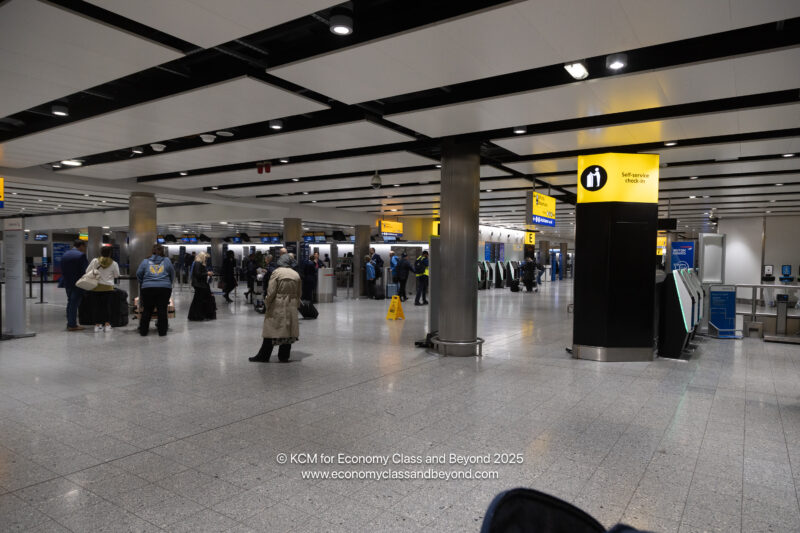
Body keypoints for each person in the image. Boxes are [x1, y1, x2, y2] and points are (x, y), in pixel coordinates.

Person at [250, 253, 302, 363]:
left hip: (278, 303)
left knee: (271, 329)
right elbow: (299, 293)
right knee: (288, 330)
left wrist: (267, 303)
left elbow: (271, 291)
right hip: (291, 304)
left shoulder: (277, 273)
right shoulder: (296, 274)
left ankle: (264, 355)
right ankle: (284, 356)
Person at [136, 244, 175, 337]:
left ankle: (143, 331)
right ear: (163, 251)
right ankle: (162, 332)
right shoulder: (167, 261)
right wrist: (168, 283)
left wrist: (144, 282)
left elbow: (139, 274)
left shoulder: (145, 261)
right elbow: (172, 273)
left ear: (152, 251)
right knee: (162, 309)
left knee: (147, 310)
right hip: (164, 288)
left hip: (148, 288)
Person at [86, 246, 120, 332]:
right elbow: (117, 275)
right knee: (107, 306)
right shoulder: (114, 263)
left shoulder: (95, 261)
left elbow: (87, 271)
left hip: (96, 287)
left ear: (101, 252)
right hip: (108, 288)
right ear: (110, 253)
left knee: (97, 306)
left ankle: (97, 325)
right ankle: (107, 325)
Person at [60, 239, 89, 331]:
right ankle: (72, 325)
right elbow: (85, 271)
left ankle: (70, 323)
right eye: (85, 247)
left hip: (67, 282)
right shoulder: (81, 256)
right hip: (78, 283)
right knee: (74, 304)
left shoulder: (65, 254)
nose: (85, 249)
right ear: (81, 246)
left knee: (70, 303)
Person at [188, 252, 216, 321]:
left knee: (198, 300)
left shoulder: (198, 263)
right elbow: (198, 274)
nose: (206, 259)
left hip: (200, 284)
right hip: (199, 284)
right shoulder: (197, 263)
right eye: (205, 258)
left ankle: (198, 315)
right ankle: (197, 315)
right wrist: (207, 273)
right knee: (199, 300)